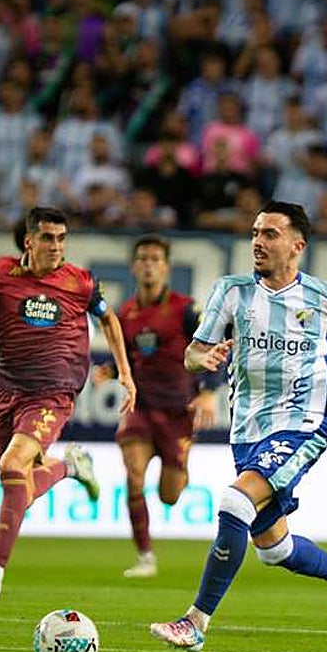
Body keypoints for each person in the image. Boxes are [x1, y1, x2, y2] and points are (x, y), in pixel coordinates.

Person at [149, 201, 327, 652]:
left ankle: (195, 621)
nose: (258, 241)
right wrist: (207, 357)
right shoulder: (231, 291)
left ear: (297, 246)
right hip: (248, 429)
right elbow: (193, 354)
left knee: (235, 500)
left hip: (303, 425)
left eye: (270, 234)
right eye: (256, 233)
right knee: (273, 548)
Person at [0, 206, 137, 600]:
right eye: (48, 238)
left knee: (13, 465)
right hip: (8, 391)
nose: (56, 246)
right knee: (20, 484)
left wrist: (125, 373)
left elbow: (109, 320)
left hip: (54, 391)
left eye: (62, 239)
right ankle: (70, 467)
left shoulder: (80, 282)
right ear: (29, 241)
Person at [100, 234, 219, 578]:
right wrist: (109, 371)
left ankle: (180, 465)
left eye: (155, 259)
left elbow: (212, 348)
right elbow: (125, 358)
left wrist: (208, 390)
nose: (149, 264)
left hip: (177, 412)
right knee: (133, 477)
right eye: (143, 259)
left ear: (165, 267)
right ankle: (145, 557)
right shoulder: (125, 313)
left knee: (170, 495)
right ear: (134, 266)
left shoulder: (186, 309)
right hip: (140, 408)